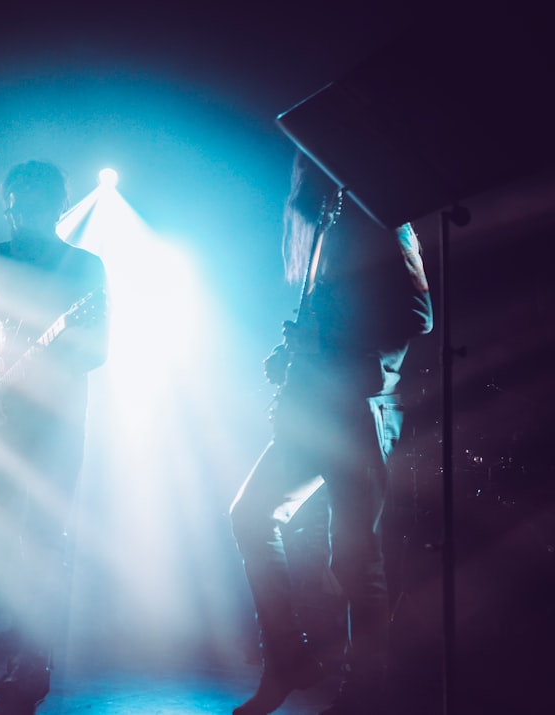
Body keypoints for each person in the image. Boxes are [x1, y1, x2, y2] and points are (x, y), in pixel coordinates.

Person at [230, 151, 434, 715]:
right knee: (251, 517)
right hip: (313, 407)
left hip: (357, 409)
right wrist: (294, 354)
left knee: (353, 556)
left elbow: (419, 317)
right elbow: (327, 324)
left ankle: (364, 692)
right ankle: (288, 662)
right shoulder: (321, 224)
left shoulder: (380, 218)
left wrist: (328, 349)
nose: (303, 169)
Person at [0, 160, 108, 713]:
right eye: (18, 199)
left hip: (58, 421)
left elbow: (98, 350)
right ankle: (24, 644)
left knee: (44, 535)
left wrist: (47, 355)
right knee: (8, 541)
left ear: (59, 205)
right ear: (7, 203)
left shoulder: (86, 268)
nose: (25, 209)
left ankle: (36, 653)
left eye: (38, 199)